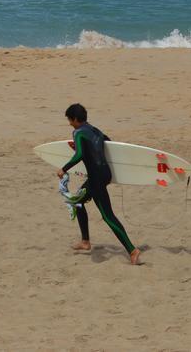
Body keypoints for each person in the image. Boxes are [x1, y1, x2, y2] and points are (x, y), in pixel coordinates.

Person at [55, 103, 141, 265]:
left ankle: (132, 250)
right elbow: (109, 144)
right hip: (105, 173)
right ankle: (85, 241)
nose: (69, 123)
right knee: (76, 202)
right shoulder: (95, 130)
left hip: (96, 179)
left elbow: (79, 154)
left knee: (108, 216)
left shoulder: (78, 132)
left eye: (69, 120)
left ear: (74, 119)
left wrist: (64, 169)